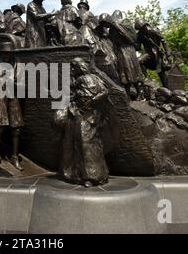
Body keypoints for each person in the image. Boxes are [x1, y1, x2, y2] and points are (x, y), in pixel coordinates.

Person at [54, 58, 109, 187]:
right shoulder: (78, 80)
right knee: (72, 142)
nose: (72, 70)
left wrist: (93, 100)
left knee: (86, 145)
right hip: (77, 113)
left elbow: (105, 92)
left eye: (74, 67)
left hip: (89, 115)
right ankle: (73, 174)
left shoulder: (92, 78)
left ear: (80, 67)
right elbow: (70, 95)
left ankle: (91, 176)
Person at [0, 50, 24, 171]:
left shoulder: (17, 66)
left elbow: (22, 84)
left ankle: (14, 156)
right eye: (4, 53)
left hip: (12, 95)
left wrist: (14, 81)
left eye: (9, 53)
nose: (7, 55)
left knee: (16, 127)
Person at [102, 11, 144, 99]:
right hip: (120, 52)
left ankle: (140, 92)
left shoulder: (127, 25)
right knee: (124, 74)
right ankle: (127, 95)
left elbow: (132, 39)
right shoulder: (112, 29)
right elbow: (111, 41)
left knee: (134, 72)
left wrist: (117, 26)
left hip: (129, 50)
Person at [135, 19, 172, 88]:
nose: (142, 30)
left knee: (161, 73)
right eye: (140, 29)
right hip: (148, 54)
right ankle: (147, 78)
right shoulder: (140, 35)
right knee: (139, 61)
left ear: (145, 25)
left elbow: (163, 41)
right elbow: (138, 47)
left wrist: (168, 53)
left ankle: (167, 89)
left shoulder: (154, 30)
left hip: (157, 54)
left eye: (142, 28)